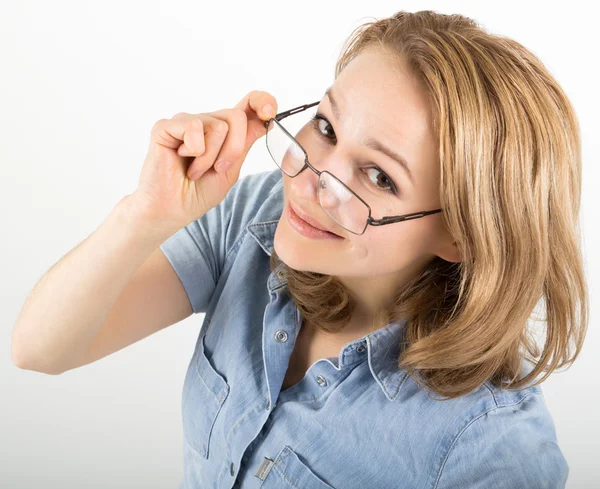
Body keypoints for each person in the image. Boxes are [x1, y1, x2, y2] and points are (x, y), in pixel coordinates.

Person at [12, 10, 588, 489]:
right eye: (328, 129)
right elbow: (41, 348)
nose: (313, 182)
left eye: (379, 177)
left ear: (462, 233)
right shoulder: (257, 214)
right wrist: (146, 213)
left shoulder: (492, 452)